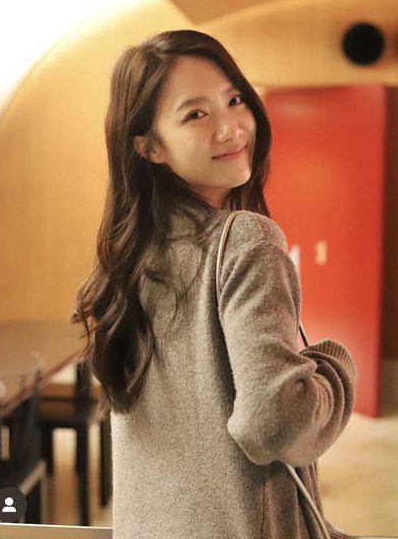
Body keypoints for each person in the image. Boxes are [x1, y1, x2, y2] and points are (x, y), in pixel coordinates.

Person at [72, 30, 357, 539]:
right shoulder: (247, 239)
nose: (231, 128)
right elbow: (274, 423)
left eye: (235, 100)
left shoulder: (127, 257)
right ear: (149, 147)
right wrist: (336, 369)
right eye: (196, 114)